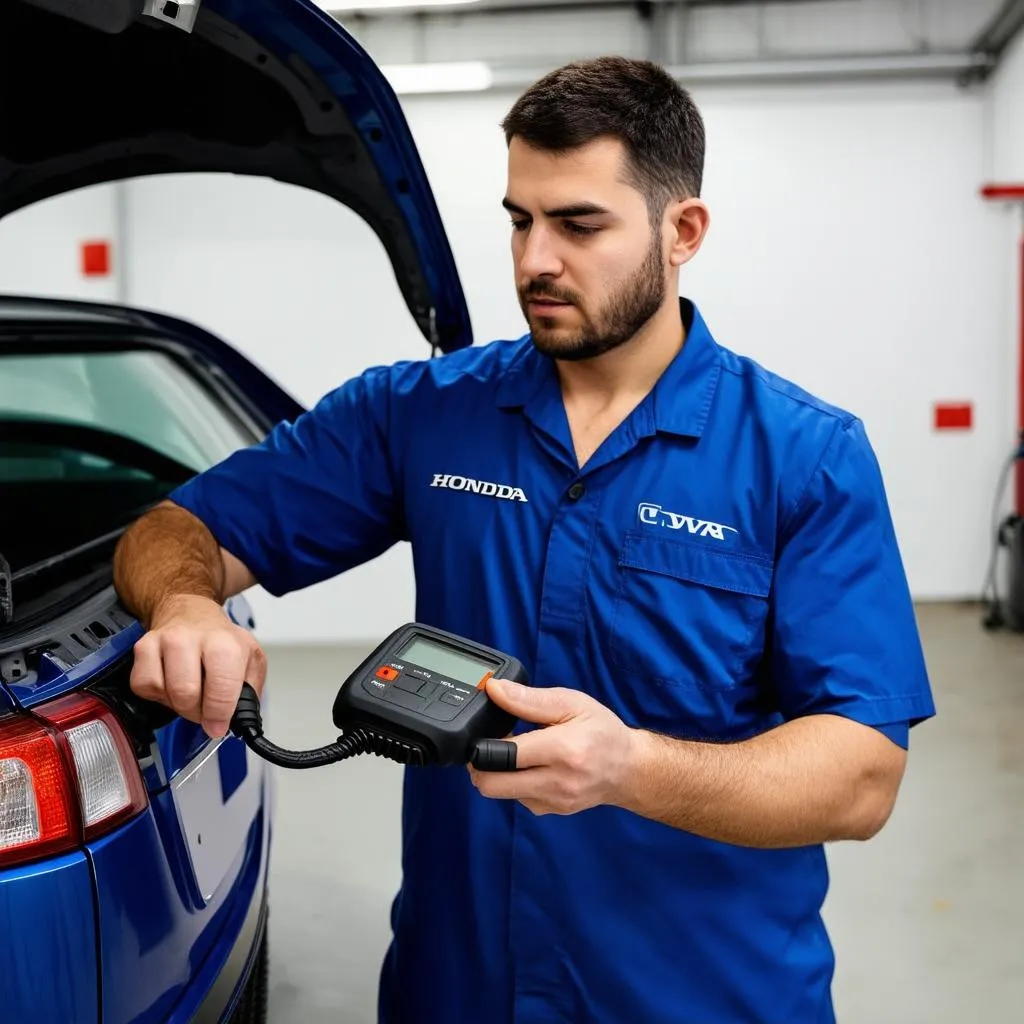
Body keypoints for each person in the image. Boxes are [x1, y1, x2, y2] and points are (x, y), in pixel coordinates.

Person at [113, 55, 936, 1024]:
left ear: (682, 232)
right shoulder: (420, 414)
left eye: (578, 224)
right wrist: (184, 601)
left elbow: (860, 775)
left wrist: (633, 768)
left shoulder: (803, 456)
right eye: (518, 218)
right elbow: (180, 527)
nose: (534, 259)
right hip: (459, 989)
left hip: (704, 996)